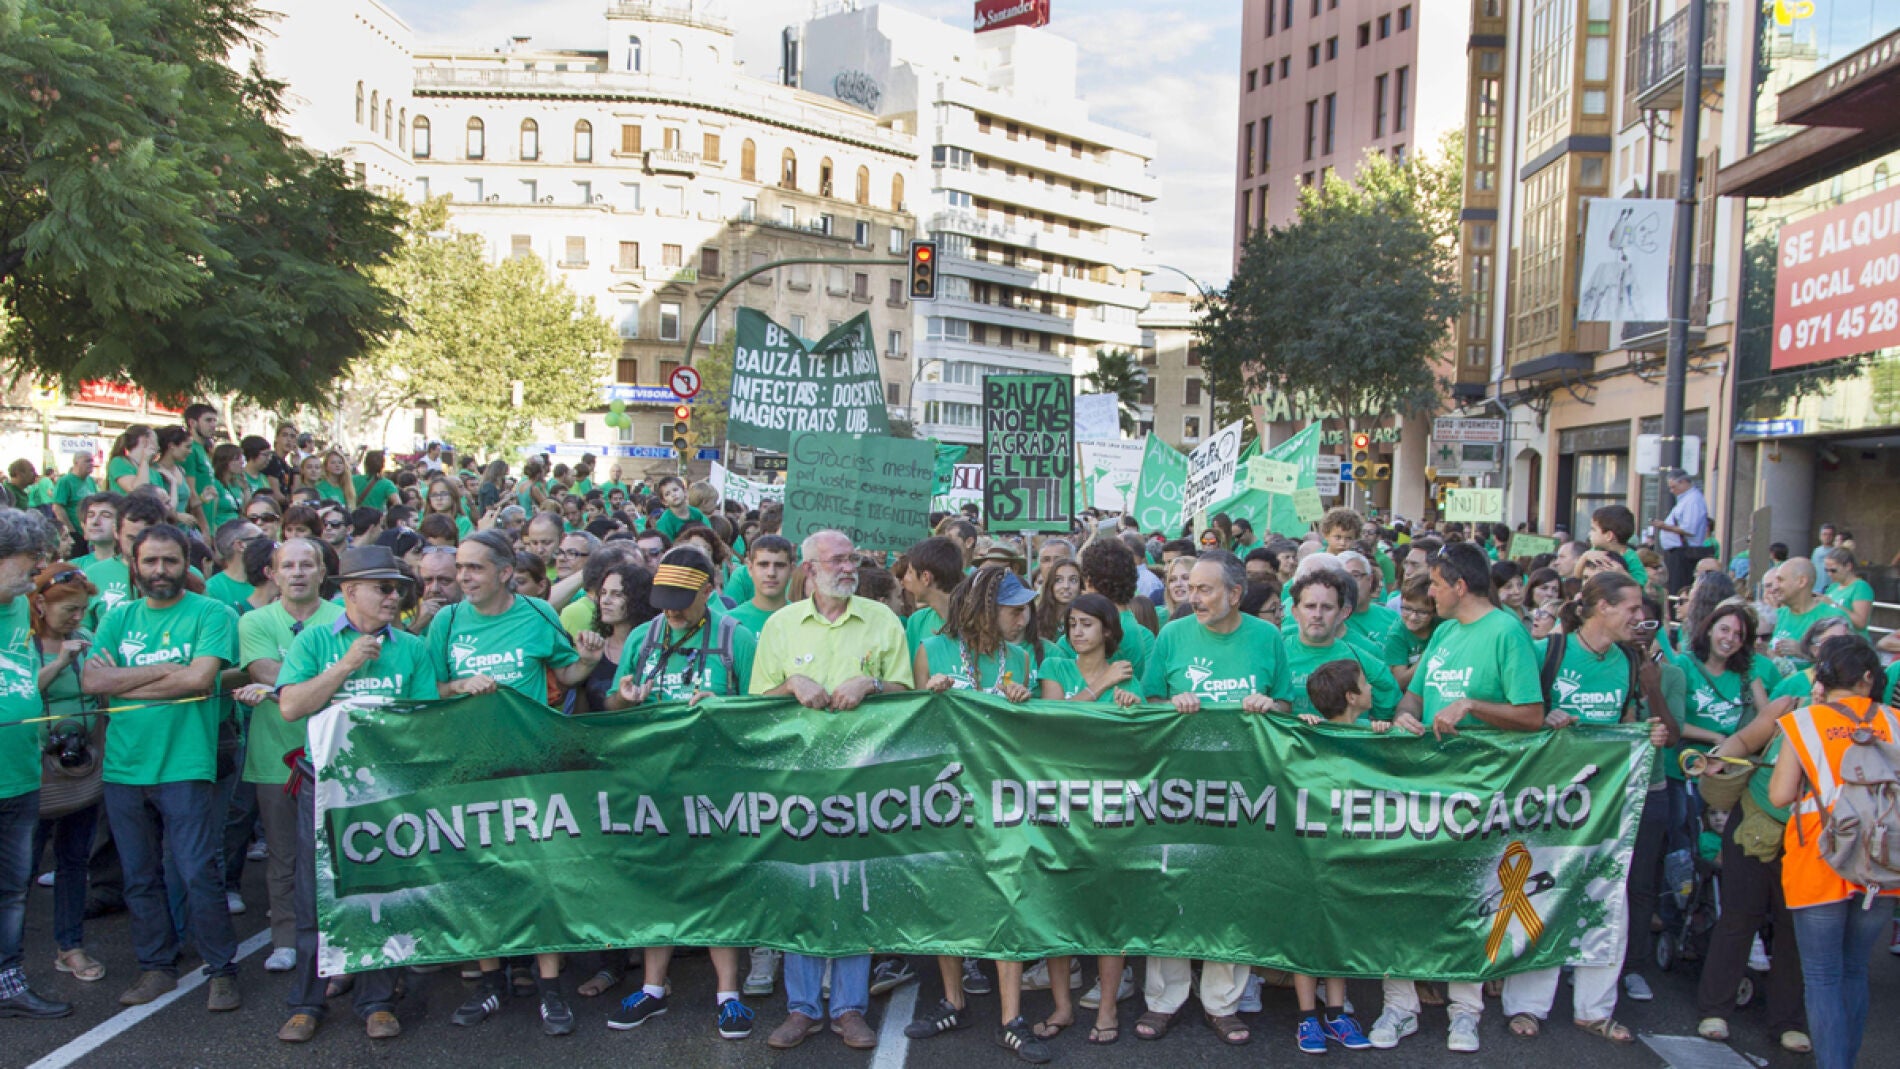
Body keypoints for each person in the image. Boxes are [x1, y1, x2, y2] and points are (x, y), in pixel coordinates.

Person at [428, 529, 602, 1031]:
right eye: (460, 567)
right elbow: (429, 688)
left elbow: (566, 675)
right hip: (470, 768)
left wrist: (587, 661)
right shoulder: (446, 620)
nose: (462, 577)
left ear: (505, 573)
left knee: (541, 877)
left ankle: (550, 989)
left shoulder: (538, 613)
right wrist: (459, 685)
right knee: (479, 877)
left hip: (532, 767)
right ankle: (490, 983)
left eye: (474, 568)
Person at [1376, 542, 1545, 1054]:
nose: (1429, 594)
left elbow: (1531, 715)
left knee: (1468, 901)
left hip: (1480, 791)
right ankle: (1399, 1005)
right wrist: (1405, 716)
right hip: (1424, 786)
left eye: (1435, 584)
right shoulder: (1445, 632)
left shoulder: (1507, 633)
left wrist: (1472, 705)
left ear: (1460, 586)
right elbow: (1415, 697)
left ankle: (1465, 1012)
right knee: (1403, 897)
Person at [270, 544, 440, 1042]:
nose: (394, 598)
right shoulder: (314, 641)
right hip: (324, 787)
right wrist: (344, 666)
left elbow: (424, 721)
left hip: (386, 787)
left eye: (399, 589)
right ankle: (307, 1002)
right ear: (349, 591)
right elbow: (290, 706)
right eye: (383, 588)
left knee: (383, 895)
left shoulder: (411, 648)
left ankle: (377, 1001)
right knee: (316, 895)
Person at [751, 530, 912, 1052]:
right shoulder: (780, 626)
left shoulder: (882, 620)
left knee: (853, 889)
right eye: (837, 560)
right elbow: (757, 704)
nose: (848, 568)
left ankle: (848, 1008)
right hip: (798, 781)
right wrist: (791, 685)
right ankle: (802, 1007)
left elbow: (908, 695)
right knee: (803, 889)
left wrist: (872, 684)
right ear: (810, 569)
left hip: (864, 780)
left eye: (852, 559)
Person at [1503, 571, 1672, 1044]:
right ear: (1602, 607)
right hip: (1548, 800)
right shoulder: (1548, 652)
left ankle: (1594, 1009)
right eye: (1632, 609)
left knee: (1607, 900)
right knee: (1541, 894)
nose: (1640, 618)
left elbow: (1628, 722)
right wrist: (1543, 719)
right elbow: (1514, 715)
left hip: (1606, 801)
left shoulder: (1629, 662)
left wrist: (1648, 734)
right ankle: (1527, 1005)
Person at [81, 523, 242, 1011]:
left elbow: (199, 680)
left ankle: (222, 969)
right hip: (123, 768)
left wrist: (125, 681)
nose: (160, 570)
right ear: (134, 565)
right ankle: (156, 966)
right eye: (149, 561)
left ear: (185, 563)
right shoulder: (119, 617)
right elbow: (92, 681)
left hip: (185, 765)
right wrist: (165, 670)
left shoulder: (211, 612)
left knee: (197, 872)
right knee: (139, 876)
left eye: (170, 560)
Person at [1136, 549, 1291, 1047]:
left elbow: (1287, 705)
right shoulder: (1172, 634)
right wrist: (1170, 704)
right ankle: (1164, 1000)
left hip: (1245, 791)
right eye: (1190, 587)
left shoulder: (1268, 637)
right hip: (1180, 789)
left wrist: (1270, 706)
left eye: (1205, 588)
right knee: (1172, 888)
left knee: (1233, 893)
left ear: (1235, 594)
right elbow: (1149, 702)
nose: (1193, 596)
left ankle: (1222, 1003)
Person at [605, 547, 757, 1039]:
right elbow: (613, 706)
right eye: (664, 600)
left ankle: (728, 995)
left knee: (718, 885)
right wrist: (624, 697)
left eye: (681, 601)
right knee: (658, 883)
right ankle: (653, 989)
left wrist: (724, 708)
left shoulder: (737, 638)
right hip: (655, 785)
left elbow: (762, 716)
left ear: (709, 591)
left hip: (717, 788)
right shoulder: (644, 637)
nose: (670, 611)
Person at [904, 567, 1046, 1062]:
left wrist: (1023, 704)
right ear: (984, 610)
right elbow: (915, 731)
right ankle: (953, 1001)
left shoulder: (1021, 658)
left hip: (1003, 799)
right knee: (947, 895)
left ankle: (1012, 1019)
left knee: (1009, 900)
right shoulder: (933, 650)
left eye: (1026, 609)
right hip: (947, 798)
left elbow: (1029, 738)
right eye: (1014, 610)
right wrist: (930, 697)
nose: (1023, 618)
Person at [1767, 635, 1899, 1069]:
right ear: (1868, 678)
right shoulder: (1895, 721)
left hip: (1820, 858)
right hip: (1883, 860)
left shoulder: (1805, 722)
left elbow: (1780, 795)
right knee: (1855, 970)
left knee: (1822, 978)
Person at [231, 538, 339, 978]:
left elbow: (286, 685)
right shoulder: (254, 621)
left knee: (335, 851)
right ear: (272, 574)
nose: (297, 573)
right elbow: (265, 672)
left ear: (321, 573)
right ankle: (286, 938)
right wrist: (323, 681)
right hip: (275, 755)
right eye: (288, 566)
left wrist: (292, 690)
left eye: (306, 565)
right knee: (283, 855)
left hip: (336, 753)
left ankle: (337, 936)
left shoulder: (343, 617)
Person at [0, 514, 73, 1019]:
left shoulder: (19, 609)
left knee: (12, 889)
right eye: (30, 559)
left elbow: (25, 679)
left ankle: (8, 981)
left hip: (21, 775)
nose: (38, 569)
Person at [1287, 658, 1380, 1052]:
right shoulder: (1309, 735)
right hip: (1310, 851)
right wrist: (1304, 729)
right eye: (1365, 682)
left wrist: (1386, 734)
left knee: (1339, 931)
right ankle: (1307, 1017)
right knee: (1308, 931)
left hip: (1349, 850)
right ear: (1351, 696)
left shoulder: (1372, 734)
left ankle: (1337, 1013)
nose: (1372, 687)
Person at [28, 561, 107, 988]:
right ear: (40, 604)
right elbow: (20, 694)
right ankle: (9, 958)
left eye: (82, 610)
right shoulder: (18, 643)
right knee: (20, 867)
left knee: (74, 860)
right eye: (69, 610)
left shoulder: (87, 638)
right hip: (32, 770)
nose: (77, 618)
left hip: (81, 767)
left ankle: (70, 946)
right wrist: (60, 662)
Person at [1282, 567, 1399, 724]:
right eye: (1310, 606)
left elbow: (1391, 713)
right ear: (1295, 612)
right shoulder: (1276, 653)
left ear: (1343, 613)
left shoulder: (1364, 658)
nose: (1317, 615)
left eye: (1327, 607)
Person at [1767, 559, 1844, 670]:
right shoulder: (1777, 615)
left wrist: (1804, 652)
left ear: (1802, 582)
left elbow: (1842, 662)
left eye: (1780, 580)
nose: (1774, 587)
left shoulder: (1832, 618)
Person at [901, 536, 962, 654]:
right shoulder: (917, 621)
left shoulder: (974, 621)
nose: (905, 579)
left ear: (926, 578)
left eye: (910, 572)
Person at [1653, 469, 1710, 594]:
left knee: (1678, 588)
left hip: (1683, 552)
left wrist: (1664, 526)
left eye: (1674, 487)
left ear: (1683, 482)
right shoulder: (1686, 499)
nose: (1672, 491)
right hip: (1678, 551)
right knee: (1673, 586)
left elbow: (1689, 529)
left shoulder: (1693, 500)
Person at [728, 535, 793, 636]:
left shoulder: (804, 620)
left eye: (779, 565)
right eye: (763, 565)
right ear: (750, 568)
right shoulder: (730, 623)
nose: (771, 573)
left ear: (792, 570)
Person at [1383, 576, 1438, 691]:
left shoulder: (1442, 624)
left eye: (1422, 612)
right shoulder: (1397, 634)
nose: (1413, 617)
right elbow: (1399, 682)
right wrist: (1426, 658)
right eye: (1407, 609)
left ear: (1434, 612)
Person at [1817, 547, 1873, 638]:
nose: (1829, 574)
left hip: (1854, 641)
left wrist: (1833, 605)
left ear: (1848, 566)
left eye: (1833, 570)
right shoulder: (1833, 587)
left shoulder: (1860, 587)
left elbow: (1861, 623)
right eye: (1826, 570)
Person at [1588, 505, 1647, 587]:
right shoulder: (1595, 551)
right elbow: (1577, 575)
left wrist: (1622, 573)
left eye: (1593, 529)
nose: (1589, 533)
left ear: (1609, 536)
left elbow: (1640, 584)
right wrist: (1585, 556)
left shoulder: (1631, 557)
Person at [51, 452, 100, 547]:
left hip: (91, 533)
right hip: (76, 534)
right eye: (87, 461)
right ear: (76, 462)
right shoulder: (65, 481)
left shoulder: (90, 480)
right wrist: (72, 531)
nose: (91, 464)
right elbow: (57, 508)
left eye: (92, 461)